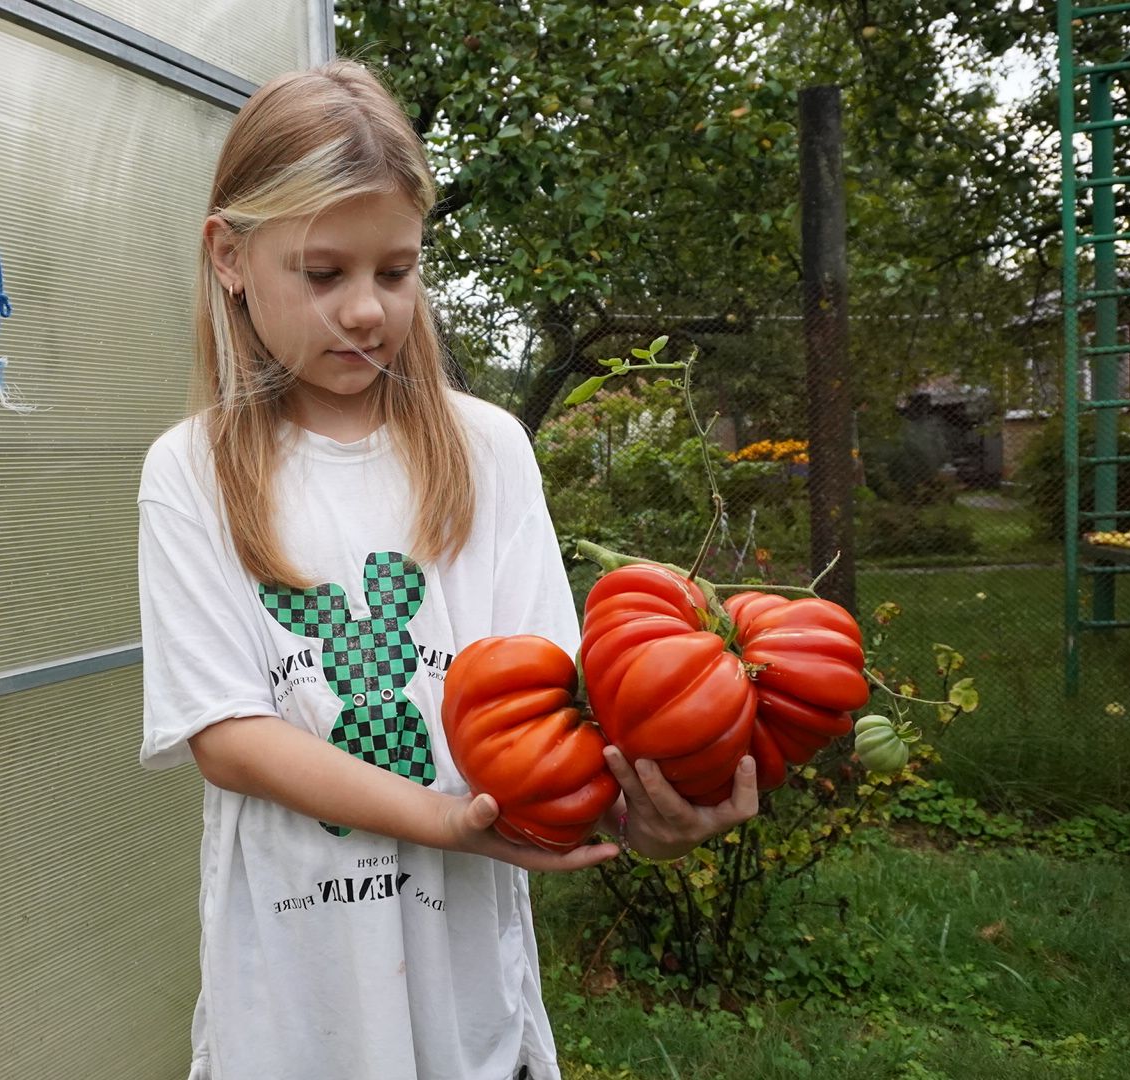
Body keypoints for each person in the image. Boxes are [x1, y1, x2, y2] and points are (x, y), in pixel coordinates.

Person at [137, 59, 758, 1080]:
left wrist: (647, 813)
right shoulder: (191, 473)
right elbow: (227, 735)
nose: (367, 311)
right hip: (292, 1020)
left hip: (471, 1016)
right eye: (323, 273)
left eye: (394, 271)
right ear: (230, 257)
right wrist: (442, 818)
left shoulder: (483, 451)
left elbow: (563, 724)